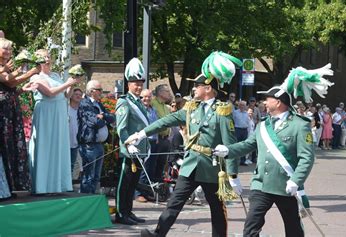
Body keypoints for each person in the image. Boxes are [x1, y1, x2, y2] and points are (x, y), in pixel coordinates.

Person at [129, 51, 242, 237]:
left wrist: (233, 174)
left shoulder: (222, 111)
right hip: (190, 165)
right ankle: (158, 233)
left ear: (208, 88)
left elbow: (230, 145)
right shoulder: (191, 108)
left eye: (197, 85)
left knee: (217, 209)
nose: (194, 89)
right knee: (174, 202)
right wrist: (142, 133)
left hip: (211, 168)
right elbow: (167, 120)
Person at [213, 64, 334, 236]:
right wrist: (228, 150)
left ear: (278, 102)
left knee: (293, 228)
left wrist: (296, 180)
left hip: (285, 184)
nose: (264, 102)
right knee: (251, 226)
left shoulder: (299, 125)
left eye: (267, 99)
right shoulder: (263, 125)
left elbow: (307, 157)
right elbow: (248, 145)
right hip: (261, 184)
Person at [25, 49, 80, 194]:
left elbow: (66, 95)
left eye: (48, 56)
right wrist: (67, 83)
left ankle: (57, 185)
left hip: (60, 112)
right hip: (46, 112)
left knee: (58, 146)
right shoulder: (36, 77)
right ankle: (42, 186)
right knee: (45, 146)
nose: (47, 60)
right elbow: (49, 92)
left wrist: (72, 84)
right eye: (43, 58)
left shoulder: (56, 75)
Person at [0, 38, 39, 199]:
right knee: (5, 147)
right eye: (5, 49)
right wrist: (31, 72)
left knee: (12, 148)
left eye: (10, 50)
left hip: (10, 110)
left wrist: (22, 89)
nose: (8, 52)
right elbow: (8, 82)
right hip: (3, 114)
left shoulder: (6, 66)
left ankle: (9, 187)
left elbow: (12, 86)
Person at [114, 58, 149, 225]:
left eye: (141, 83)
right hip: (129, 150)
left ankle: (128, 211)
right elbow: (121, 129)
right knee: (124, 184)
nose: (139, 86)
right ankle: (121, 214)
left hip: (139, 150)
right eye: (135, 83)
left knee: (133, 183)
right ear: (129, 83)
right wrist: (129, 145)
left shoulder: (139, 103)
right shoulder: (124, 102)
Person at [77, 80, 115, 194]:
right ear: (92, 91)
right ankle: (85, 199)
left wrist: (102, 116)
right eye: (100, 90)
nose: (101, 92)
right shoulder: (84, 103)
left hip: (99, 144)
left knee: (96, 176)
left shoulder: (99, 104)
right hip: (89, 144)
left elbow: (112, 118)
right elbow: (93, 122)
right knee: (88, 175)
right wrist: (103, 118)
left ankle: (92, 197)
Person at [135, 89, 159, 203]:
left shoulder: (153, 110)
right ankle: (139, 193)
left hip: (153, 141)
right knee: (143, 169)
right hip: (144, 141)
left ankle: (146, 192)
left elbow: (156, 125)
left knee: (150, 169)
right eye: (144, 97)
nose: (146, 99)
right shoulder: (139, 110)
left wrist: (157, 138)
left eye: (149, 97)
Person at [151, 84, 173, 182]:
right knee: (153, 164)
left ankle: (158, 189)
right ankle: (150, 188)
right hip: (157, 138)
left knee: (161, 164)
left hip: (165, 138)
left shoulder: (165, 106)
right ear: (160, 93)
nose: (169, 93)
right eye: (167, 91)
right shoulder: (153, 103)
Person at [69, 88, 83, 174]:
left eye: (80, 95)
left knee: (72, 165)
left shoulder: (81, 111)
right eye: (76, 94)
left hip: (76, 143)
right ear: (71, 96)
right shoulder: (65, 109)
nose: (78, 96)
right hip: (65, 143)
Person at [233, 100, 250, 165]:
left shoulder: (247, 113)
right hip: (237, 130)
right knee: (236, 145)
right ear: (239, 106)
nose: (242, 106)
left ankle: (243, 161)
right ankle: (235, 161)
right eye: (241, 105)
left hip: (245, 130)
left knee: (244, 146)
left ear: (245, 106)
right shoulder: (235, 112)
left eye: (244, 105)